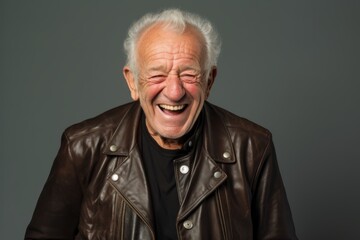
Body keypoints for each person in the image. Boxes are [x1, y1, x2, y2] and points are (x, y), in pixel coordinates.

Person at [25, 8, 298, 240]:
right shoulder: (83, 146)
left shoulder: (252, 148)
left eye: (189, 74)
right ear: (132, 82)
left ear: (209, 81)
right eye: (157, 74)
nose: (174, 91)